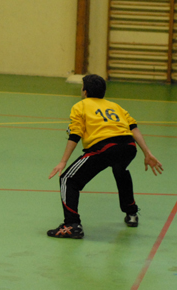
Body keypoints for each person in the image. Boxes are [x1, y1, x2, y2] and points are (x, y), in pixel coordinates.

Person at [46, 74, 163, 239]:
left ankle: (71, 225)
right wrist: (147, 152)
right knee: (120, 170)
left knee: (68, 180)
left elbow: (75, 134)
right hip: (129, 146)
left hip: (105, 147)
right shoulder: (115, 106)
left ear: (85, 91)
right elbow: (133, 128)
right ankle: (131, 213)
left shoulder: (80, 106)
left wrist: (63, 161)